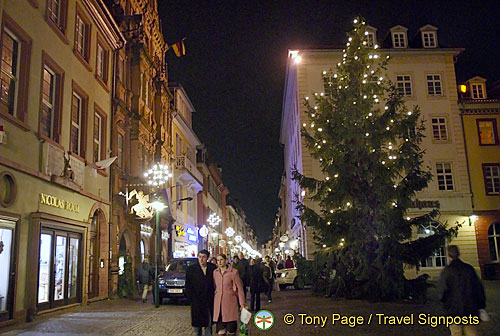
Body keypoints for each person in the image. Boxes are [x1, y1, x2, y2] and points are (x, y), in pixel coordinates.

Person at [438, 245, 486, 336]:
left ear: (448, 255)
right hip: (470, 307)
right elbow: (479, 288)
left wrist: (444, 305)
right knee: (471, 332)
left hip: (453, 309)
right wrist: (481, 305)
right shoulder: (469, 269)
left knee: (456, 332)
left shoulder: (447, 271)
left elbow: (442, 292)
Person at [186, 250, 216, 336]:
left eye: (203, 257)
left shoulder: (212, 268)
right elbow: (188, 286)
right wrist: (191, 299)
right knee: (197, 328)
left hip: (208, 302)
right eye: (200, 257)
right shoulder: (191, 269)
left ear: (207, 258)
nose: (201, 259)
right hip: (197, 302)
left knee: (208, 326)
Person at [213, 254, 245, 336]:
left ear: (226, 260)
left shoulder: (233, 272)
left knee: (231, 330)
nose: (219, 262)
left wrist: (242, 304)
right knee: (221, 331)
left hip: (230, 304)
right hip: (218, 305)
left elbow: (240, 289)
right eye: (218, 260)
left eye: (221, 260)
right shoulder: (215, 273)